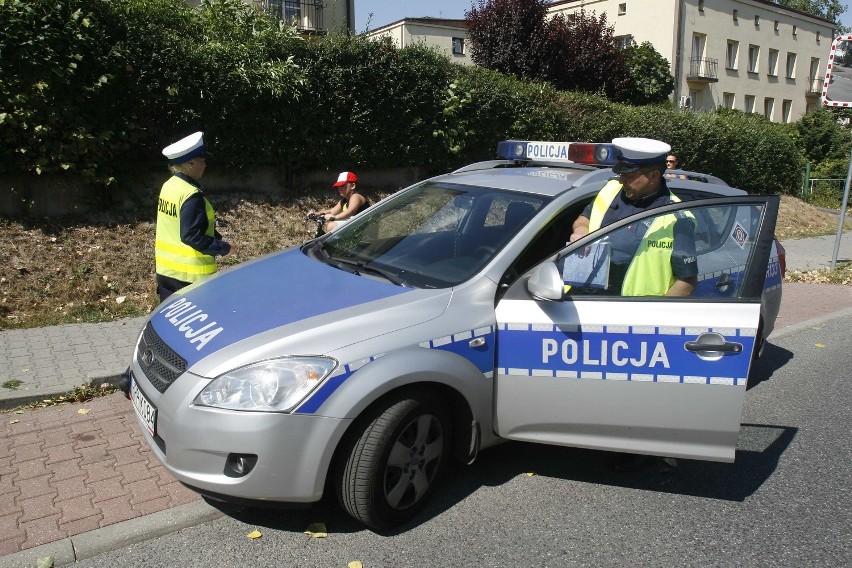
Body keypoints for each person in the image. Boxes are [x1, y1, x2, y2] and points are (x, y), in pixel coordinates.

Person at [569, 137, 697, 297]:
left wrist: (653, 317)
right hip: (587, 298)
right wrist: (581, 230)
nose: (622, 180)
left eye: (629, 176)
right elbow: (584, 218)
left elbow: (687, 282)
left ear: (653, 176)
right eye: (621, 174)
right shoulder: (611, 189)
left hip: (634, 314)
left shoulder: (678, 217)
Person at [155, 131, 236, 302]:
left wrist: (217, 239)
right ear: (190, 163)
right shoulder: (191, 195)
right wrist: (222, 248)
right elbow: (191, 235)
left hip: (166, 272)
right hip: (190, 277)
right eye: (202, 161)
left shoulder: (169, 186)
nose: (205, 165)